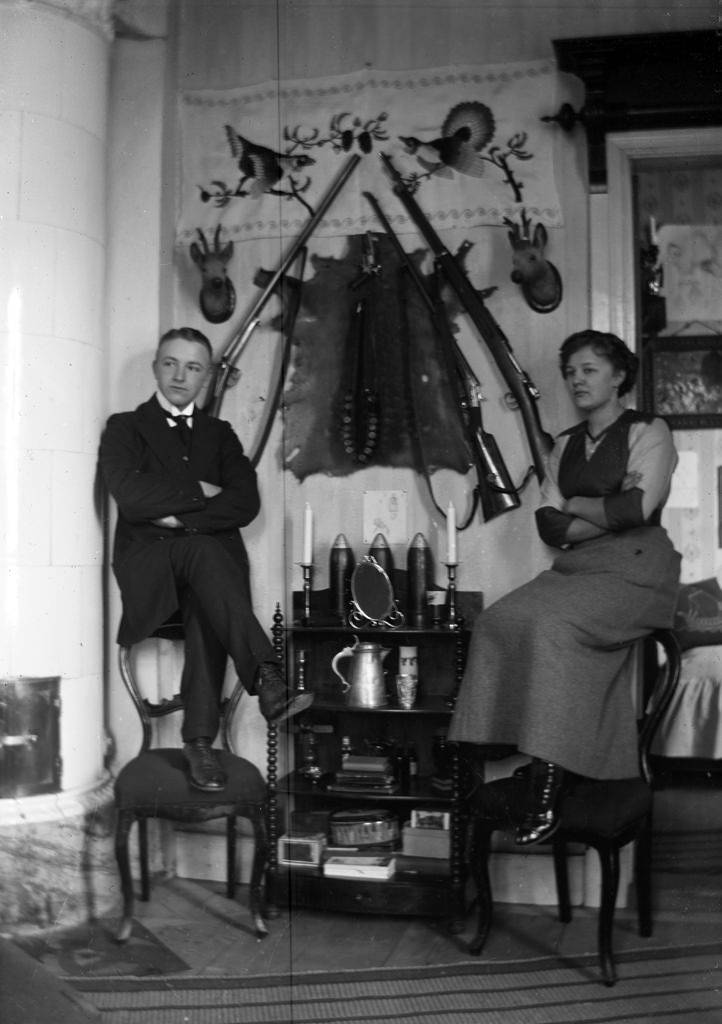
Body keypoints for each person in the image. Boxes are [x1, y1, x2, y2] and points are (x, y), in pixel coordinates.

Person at [448, 329, 681, 845]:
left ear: (619, 376)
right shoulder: (567, 446)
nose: (577, 379)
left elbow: (637, 510)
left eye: (589, 369)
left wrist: (579, 507)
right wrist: (602, 512)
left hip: (640, 567)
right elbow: (550, 527)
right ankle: (498, 743)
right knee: (497, 621)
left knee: (554, 626)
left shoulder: (649, 430)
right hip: (580, 566)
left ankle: (547, 787)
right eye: (570, 372)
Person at [99, 327, 312, 792]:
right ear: (156, 367)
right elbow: (131, 497)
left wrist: (176, 515)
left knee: (209, 579)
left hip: (205, 570)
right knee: (209, 555)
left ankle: (199, 744)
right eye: (171, 363)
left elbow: (244, 503)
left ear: (208, 377)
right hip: (149, 569)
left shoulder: (221, 435)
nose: (180, 375)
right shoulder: (125, 427)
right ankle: (268, 678)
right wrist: (199, 493)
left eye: (193, 367)